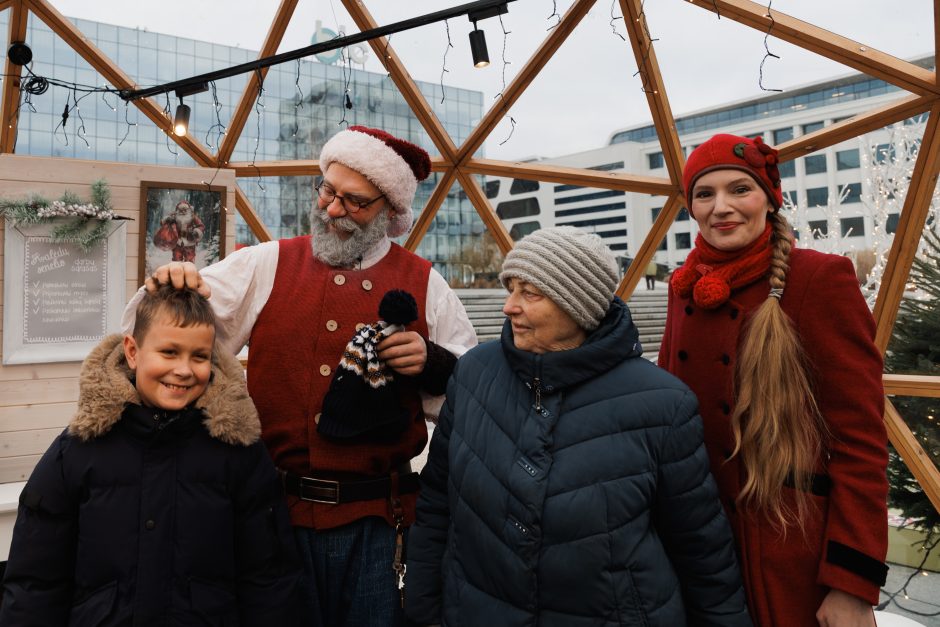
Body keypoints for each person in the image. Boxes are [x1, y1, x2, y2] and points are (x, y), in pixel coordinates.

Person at [122, 125, 477, 627]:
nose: (332, 209)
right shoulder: (266, 264)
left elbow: (479, 397)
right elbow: (150, 333)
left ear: (389, 211)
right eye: (328, 190)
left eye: (355, 202)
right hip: (272, 516)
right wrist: (166, 287)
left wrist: (433, 363)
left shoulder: (425, 283)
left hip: (383, 528)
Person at [405, 226, 752, 627]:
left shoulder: (663, 404)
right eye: (510, 289)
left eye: (529, 293)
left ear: (579, 306)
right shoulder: (473, 375)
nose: (509, 307)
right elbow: (435, 508)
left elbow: (701, 547)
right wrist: (424, 613)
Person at [659, 134, 889, 627]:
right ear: (690, 207)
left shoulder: (818, 279)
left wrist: (850, 583)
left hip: (784, 550)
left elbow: (860, 442)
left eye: (739, 189)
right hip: (697, 544)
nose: (721, 207)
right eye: (705, 194)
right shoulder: (684, 287)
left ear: (769, 196)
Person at [0, 285, 301, 626]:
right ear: (132, 351)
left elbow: (269, 578)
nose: (184, 370)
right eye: (169, 352)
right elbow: (35, 581)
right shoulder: (78, 452)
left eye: (199, 356)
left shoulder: (239, 454)